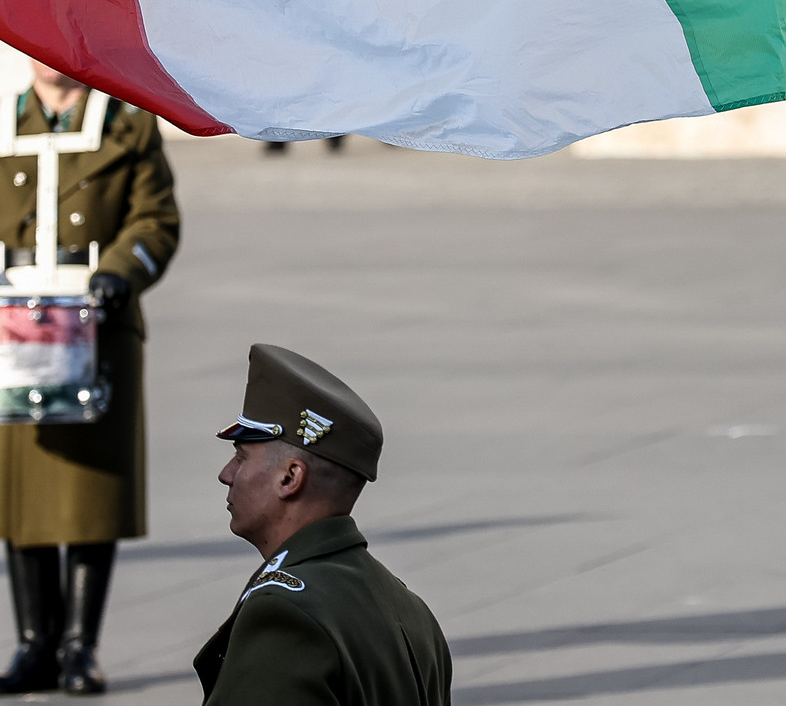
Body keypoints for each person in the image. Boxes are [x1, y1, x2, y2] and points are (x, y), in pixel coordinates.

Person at [0, 61, 179, 694]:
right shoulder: (2, 122)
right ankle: (32, 643)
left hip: (97, 334)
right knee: (18, 494)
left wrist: (119, 274)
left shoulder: (126, 125)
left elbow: (156, 221)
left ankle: (80, 645)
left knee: (88, 494)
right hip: (12, 340)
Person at [195, 344, 450, 704]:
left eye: (241, 457)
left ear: (290, 478)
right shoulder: (410, 609)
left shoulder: (284, 616)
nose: (226, 475)